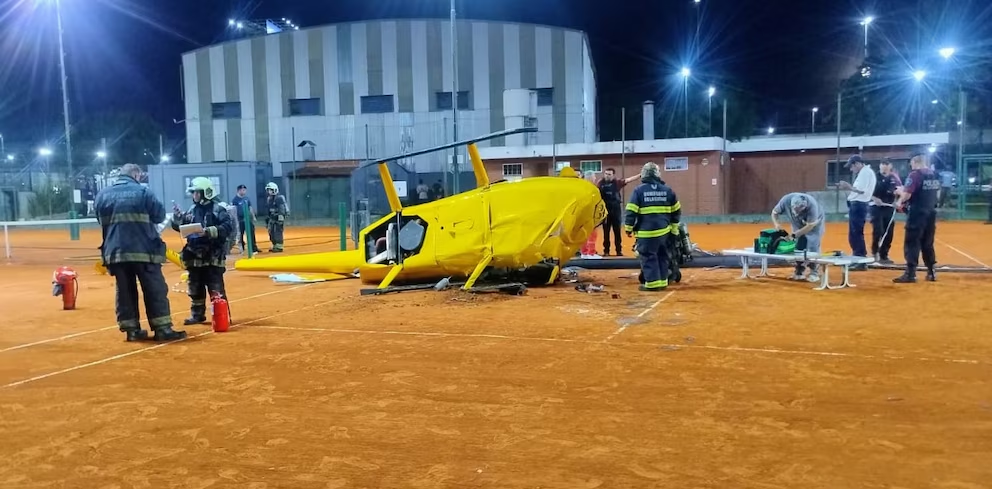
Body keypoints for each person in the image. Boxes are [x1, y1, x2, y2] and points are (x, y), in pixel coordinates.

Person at [94, 163, 186, 342]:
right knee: (154, 289)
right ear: (135, 174)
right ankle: (162, 329)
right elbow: (159, 216)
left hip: (116, 253)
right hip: (144, 251)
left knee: (125, 291)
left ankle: (132, 331)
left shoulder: (102, 195)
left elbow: (100, 220)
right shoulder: (144, 192)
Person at [172, 177, 236, 324]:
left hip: (213, 256)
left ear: (205, 193)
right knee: (195, 287)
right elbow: (180, 227)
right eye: (193, 193)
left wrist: (207, 231)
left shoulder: (218, 209)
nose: (193, 195)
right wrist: (177, 217)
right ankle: (197, 315)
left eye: (196, 192)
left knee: (216, 288)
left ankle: (223, 316)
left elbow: (227, 227)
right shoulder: (192, 210)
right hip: (194, 256)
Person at [624, 162, 681, 292]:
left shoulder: (639, 190)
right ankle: (663, 281)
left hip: (647, 233)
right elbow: (676, 211)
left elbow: (631, 210)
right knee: (662, 256)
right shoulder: (667, 190)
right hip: (664, 232)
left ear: (644, 174)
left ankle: (652, 284)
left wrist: (628, 227)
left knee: (649, 257)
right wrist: (673, 228)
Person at [893, 154, 940, 283]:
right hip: (931, 212)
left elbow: (907, 195)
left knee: (912, 242)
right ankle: (931, 271)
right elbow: (937, 193)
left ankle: (911, 273)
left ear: (915, 162)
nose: (911, 166)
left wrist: (900, 195)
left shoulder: (915, 175)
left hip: (917, 213)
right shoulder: (934, 174)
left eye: (911, 163)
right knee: (928, 242)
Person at [771, 192, 826, 283]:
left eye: (801, 210)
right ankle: (799, 271)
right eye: (796, 209)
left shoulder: (812, 207)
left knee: (813, 245)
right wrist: (777, 225)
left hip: (814, 225)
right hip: (797, 223)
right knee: (798, 245)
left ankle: (814, 273)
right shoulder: (785, 201)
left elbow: (809, 226)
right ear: (792, 205)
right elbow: (774, 213)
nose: (798, 212)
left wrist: (794, 235)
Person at [838, 155, 876, 270]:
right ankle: (858, 258)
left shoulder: (865, 173)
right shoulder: (865, 172)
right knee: (855, 233)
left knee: (856, 233)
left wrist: (848, 186)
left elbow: (860, 191)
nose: (851, 169)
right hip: (858, 205)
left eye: (852, 166)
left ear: (857, 164)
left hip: (859, 205)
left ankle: (860, 259)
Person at [597, 168, 639, 256]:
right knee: (606, 232)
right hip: (605, 211)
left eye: (609, 174)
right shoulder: (600, 183)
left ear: (613, 175)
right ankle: (606, 251)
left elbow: (629, 180)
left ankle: (619, 251)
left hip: (616, 211)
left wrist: (639, 175)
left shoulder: (617, 183)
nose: (607, 176)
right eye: (606, 174)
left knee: (617, 232)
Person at [870, 158, 902, 265]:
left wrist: (897, 201)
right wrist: (874, 198)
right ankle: (875, 253)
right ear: (880, 165)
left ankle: (884, 255)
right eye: (883, 164)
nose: (884, 166)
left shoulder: (894, 178)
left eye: (887, 164)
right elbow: (866, 191)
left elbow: (900, 191)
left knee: (889, 232)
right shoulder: (874, 177)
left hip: (889, 208)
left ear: (890, 165)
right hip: (876, 208)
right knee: (878, 230)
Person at [231, 184, 261, 254]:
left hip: (247, 219)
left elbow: (250, 208)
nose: (244, 191)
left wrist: (253, 217)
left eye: (245, 190)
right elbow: (233, 210)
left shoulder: (247, 199)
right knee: (240, 234)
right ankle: (242, 248)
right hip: (239, 220)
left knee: (251, 234)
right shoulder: (235, 200)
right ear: (238, 191)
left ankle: (254, 248)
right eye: (242, 190)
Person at [264, 182, 288, 253]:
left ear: (274, 189)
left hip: (278, 218)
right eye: (268, 190)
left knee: (277, 232)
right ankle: (275, 245)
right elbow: (268, 209)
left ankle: (279, 247)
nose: (269, 191)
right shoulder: (269, 199)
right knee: (271, 232)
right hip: (272, 218)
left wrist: (280, 219)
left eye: (270, 190)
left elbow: (282, 209)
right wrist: (267, 220)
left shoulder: (279, 198)